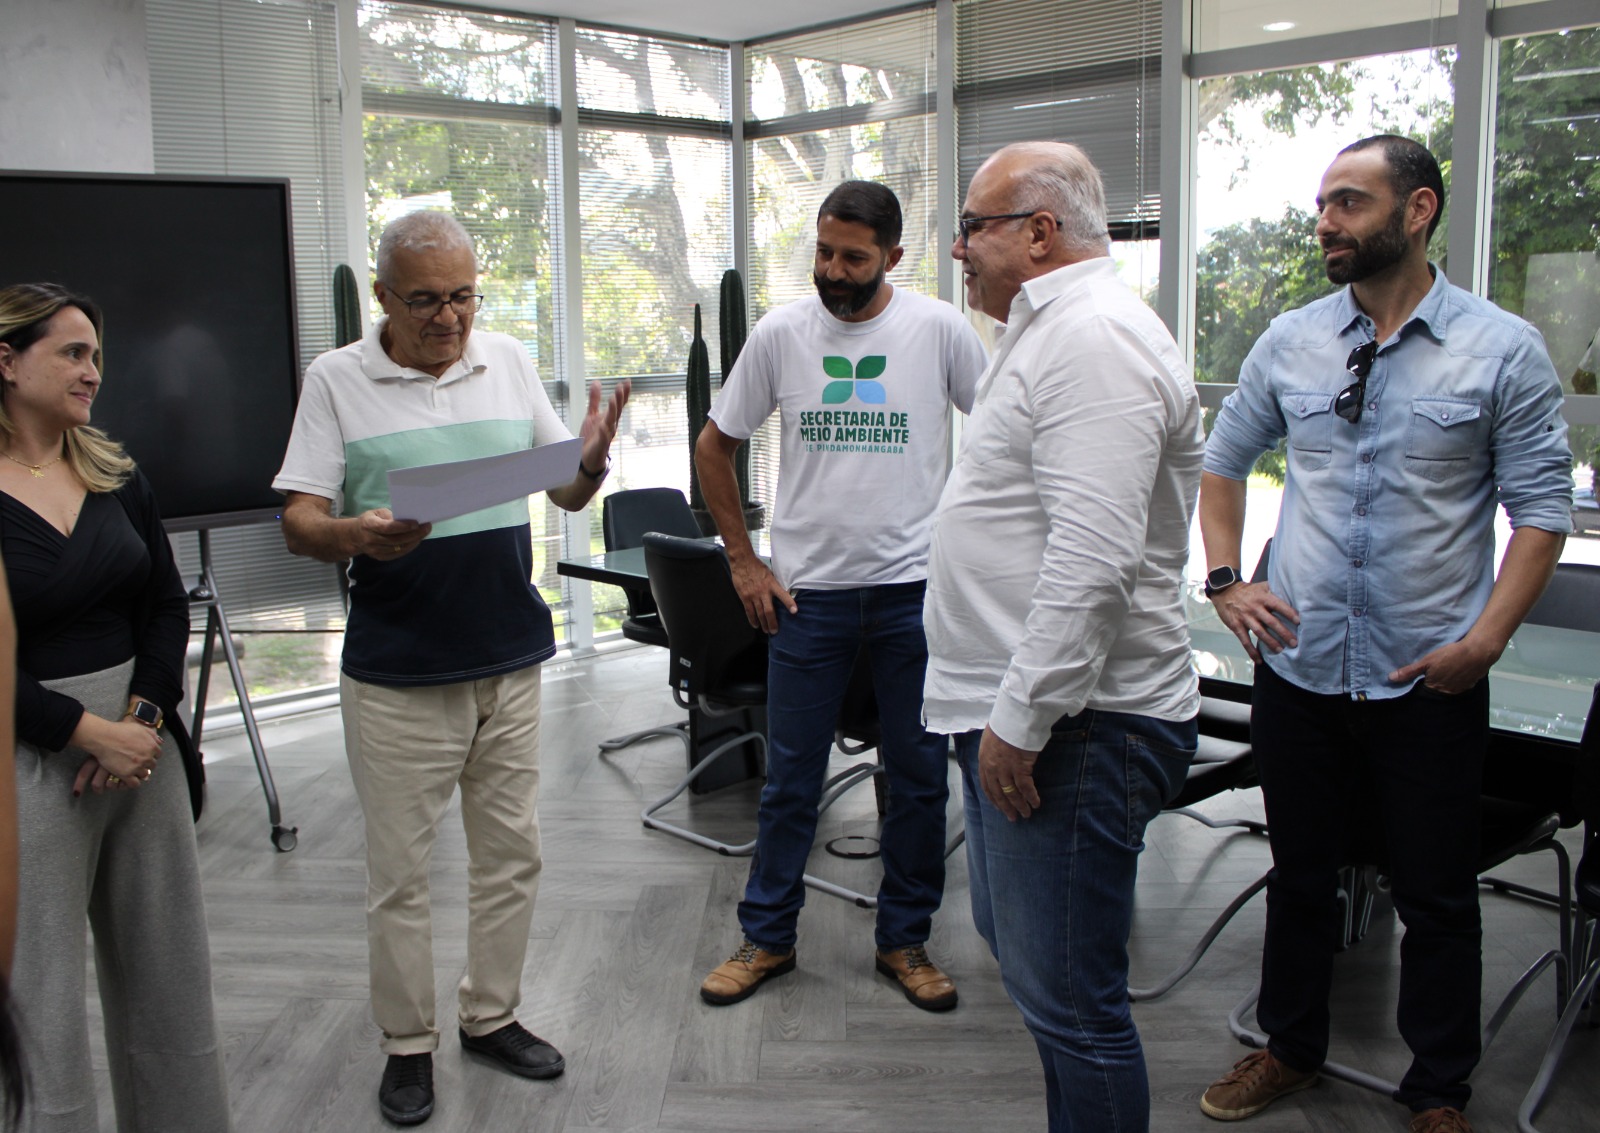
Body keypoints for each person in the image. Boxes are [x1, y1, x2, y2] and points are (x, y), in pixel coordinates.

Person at [1197, 135, 1572, 1133]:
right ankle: (1289, 1047)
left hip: (1428, 679)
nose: (1325, 221)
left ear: (1417, 210)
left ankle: (1438, 1090)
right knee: (1299, 876)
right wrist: (1227, 582)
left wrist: (1485, 641)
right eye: (1322, 203)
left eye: (1349, 202)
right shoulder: (1291, 339)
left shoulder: (1500, 348)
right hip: (1301, 667)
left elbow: (1541, 513)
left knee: (1437, 896)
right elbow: (1221, 460)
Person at [274, 211, 629, 1127]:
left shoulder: (504, 360)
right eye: (426, 300)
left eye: (464, 296)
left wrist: (591, 460)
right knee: (400, 875)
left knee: (512, 855)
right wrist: (357, 534)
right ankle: (407, 1044)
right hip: (397, 673)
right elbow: (299, 520)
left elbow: (564, 488)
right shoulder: (337, 379)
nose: (450, 318)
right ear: (382, 297)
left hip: (508, 658)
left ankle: (491, 1016)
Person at [921, 141, 1203, 1133]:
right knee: (1041, 982)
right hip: (1030, 714)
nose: (957, 249)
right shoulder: (1043, 332)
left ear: (1039, 232)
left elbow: (1093, 558)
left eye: (971, 226)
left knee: (1073, 1006)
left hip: (1075, 724)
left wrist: (1020, 719)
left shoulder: (1093, 339)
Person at [695, 181, 987, 1010]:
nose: (832, 270)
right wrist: (744, 562)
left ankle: (905, 940)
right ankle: (767, 937)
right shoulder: (782, 333)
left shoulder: (939, 330)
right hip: (807, 600)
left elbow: (1006, 434)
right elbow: (714, 446)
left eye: (853, 258)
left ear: (893, 255)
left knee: (918, 779)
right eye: (824, 252)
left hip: (913, 598)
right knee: (791, 780)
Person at [0, 282, 230, 1133]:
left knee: (170, 975)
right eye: (72, 352)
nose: (93, 370)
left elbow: (166, 604)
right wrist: (83, 730)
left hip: (143, 752)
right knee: (41, 995)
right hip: (31, 759)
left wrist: (142, 718)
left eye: (96, 354)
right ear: (7, 360)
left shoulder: (117, 471)